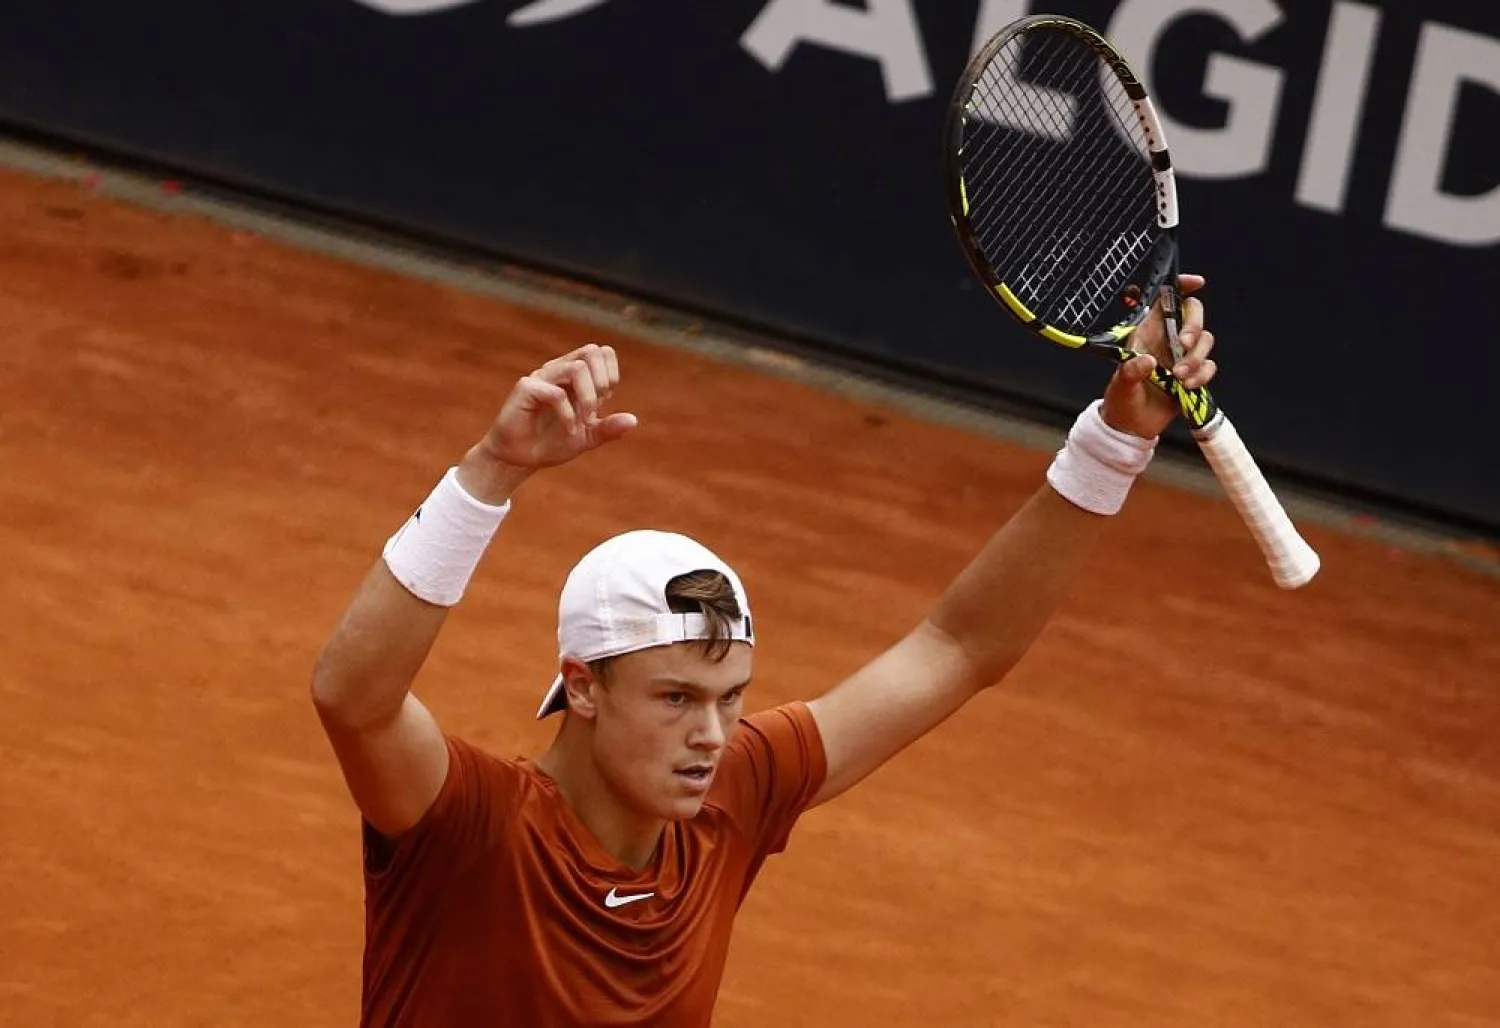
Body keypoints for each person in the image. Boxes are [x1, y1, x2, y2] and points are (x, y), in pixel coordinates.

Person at [311, 276, 1219, 1026]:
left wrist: (1116, 441)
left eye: (729, 697)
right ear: (582, 689)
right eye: (674, 699)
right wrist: (490, 473)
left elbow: (959, 646)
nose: (711, 735)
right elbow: (353, 696)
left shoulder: (732, 795)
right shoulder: (471, 828)